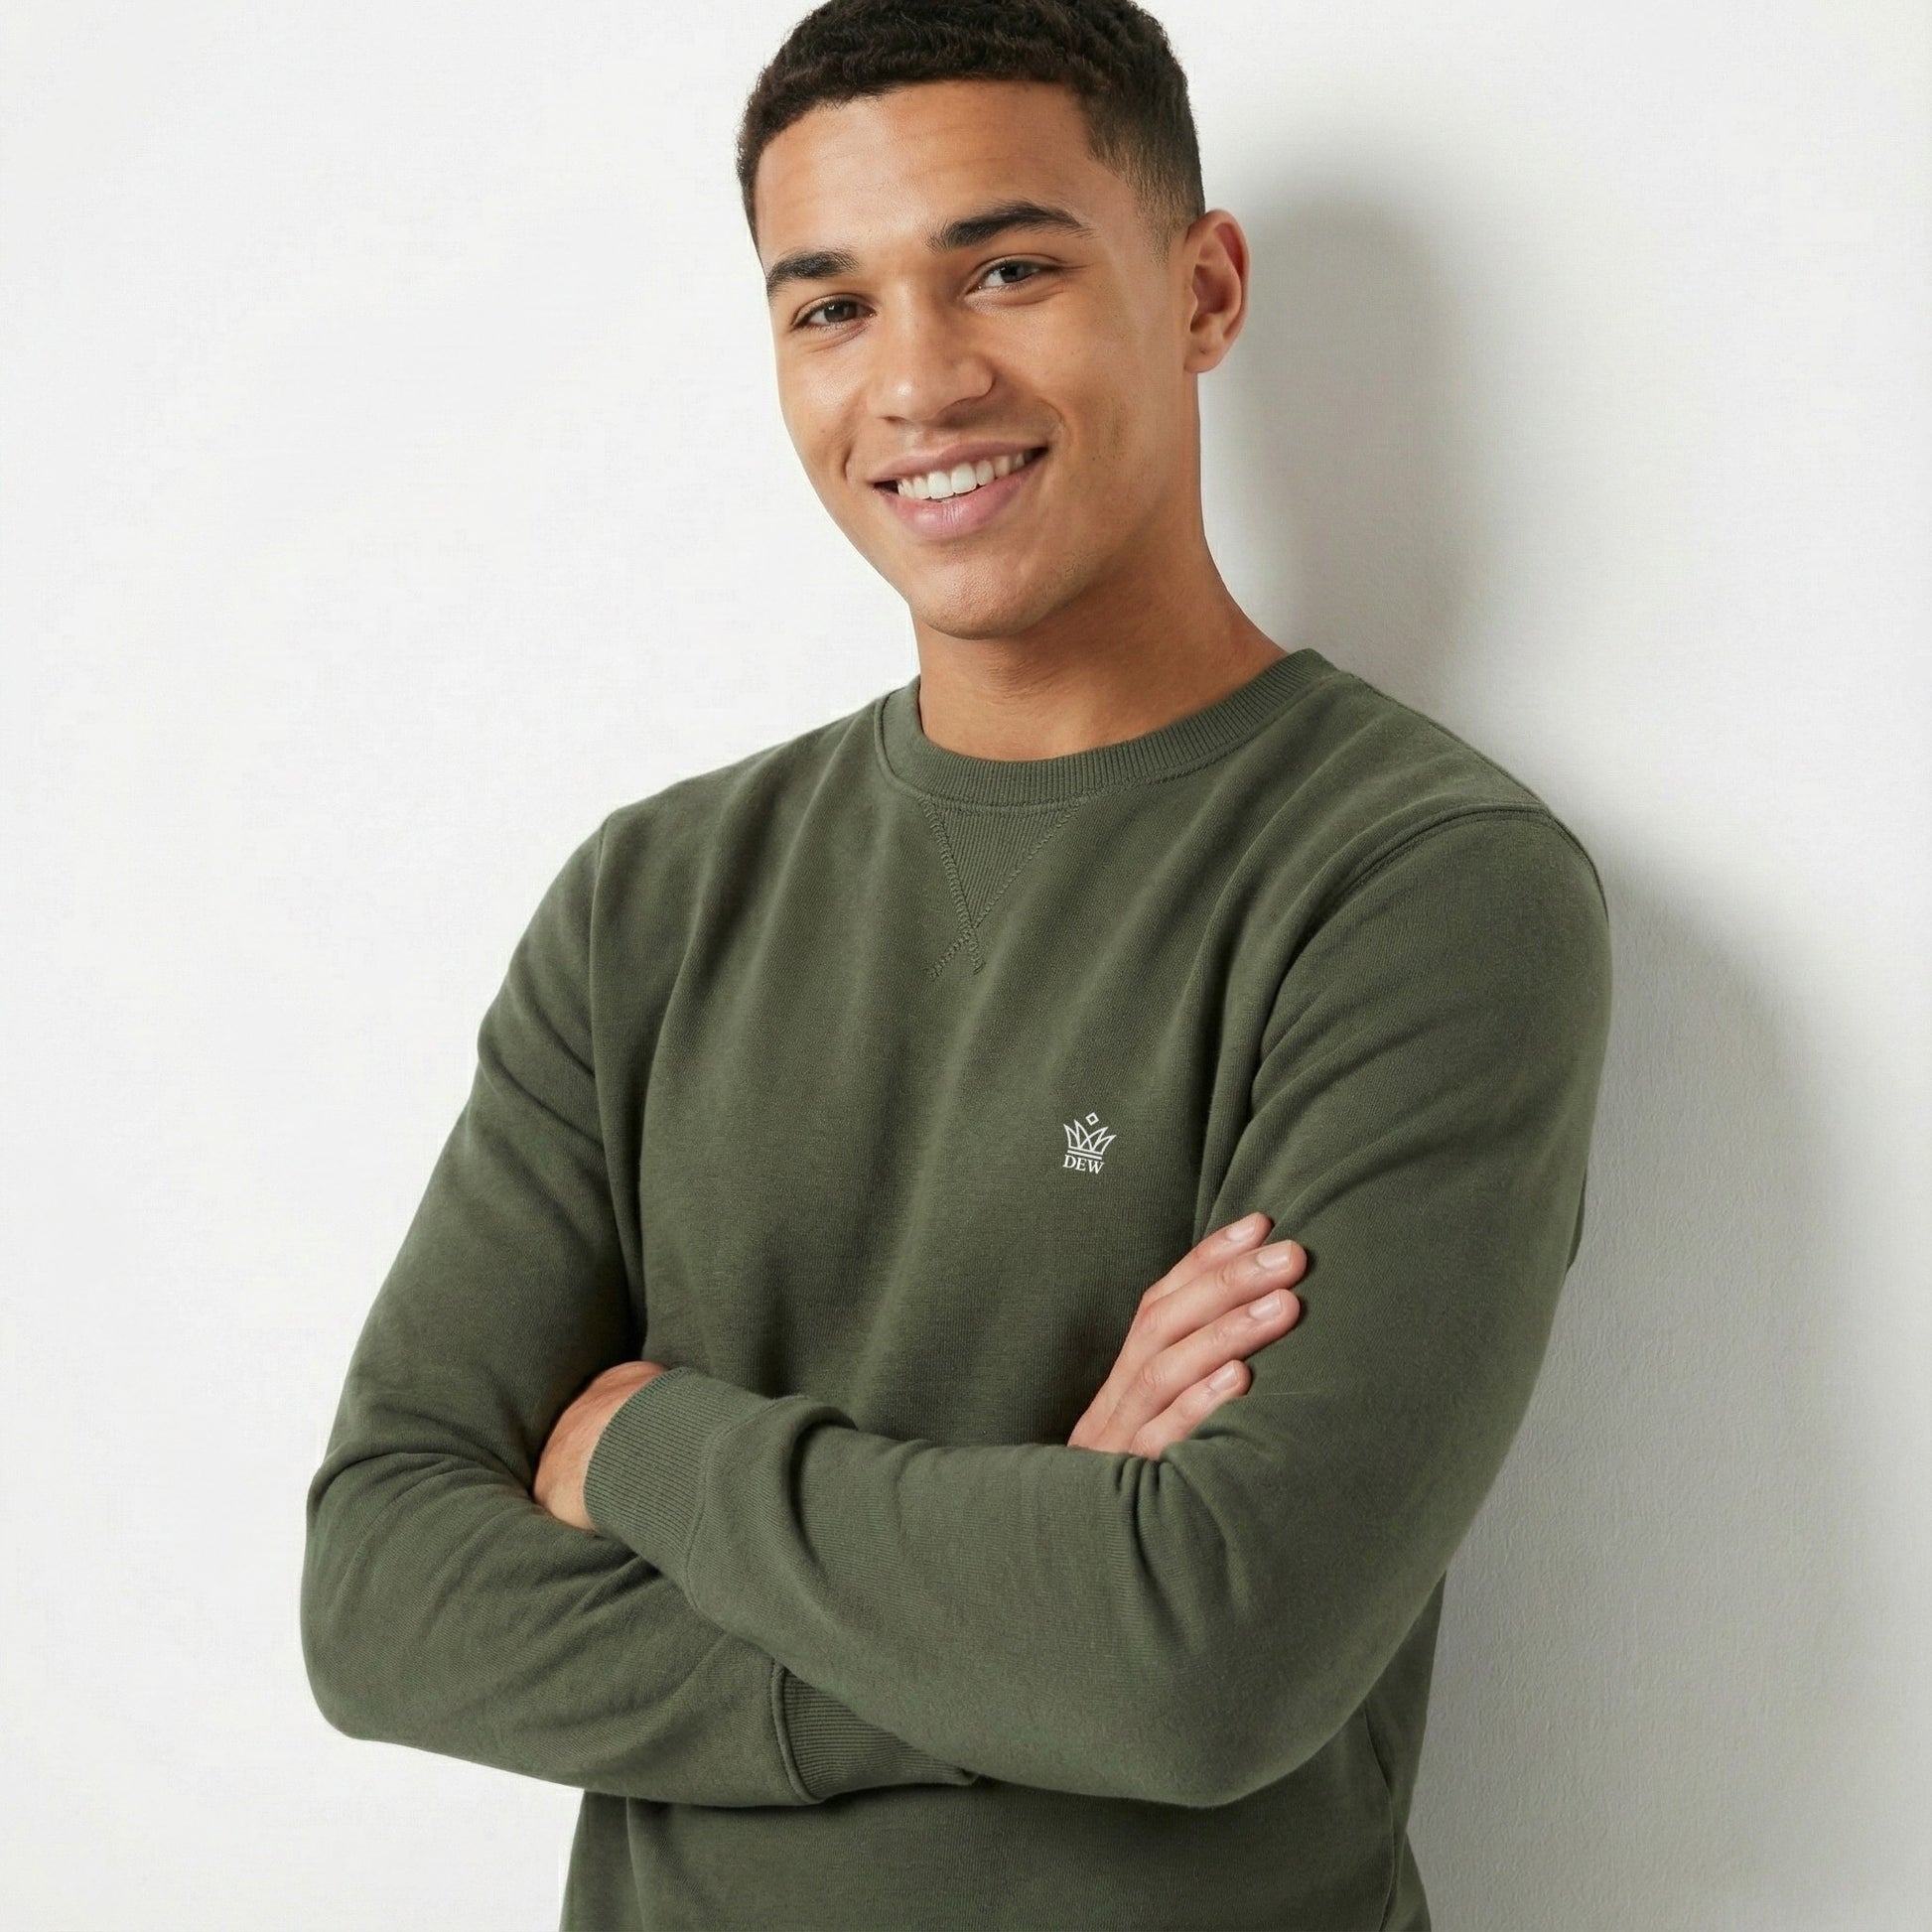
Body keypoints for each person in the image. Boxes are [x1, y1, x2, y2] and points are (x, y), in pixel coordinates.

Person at [300, 2, 1614, 1926]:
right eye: (828, 306)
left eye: (1002, 268)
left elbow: (1198, 1659)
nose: (916, 379)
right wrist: (1025, 1612)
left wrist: (649, 1443)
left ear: (1200, 286)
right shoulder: (654, 897)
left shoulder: (1416, 883)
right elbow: (384, 1600)